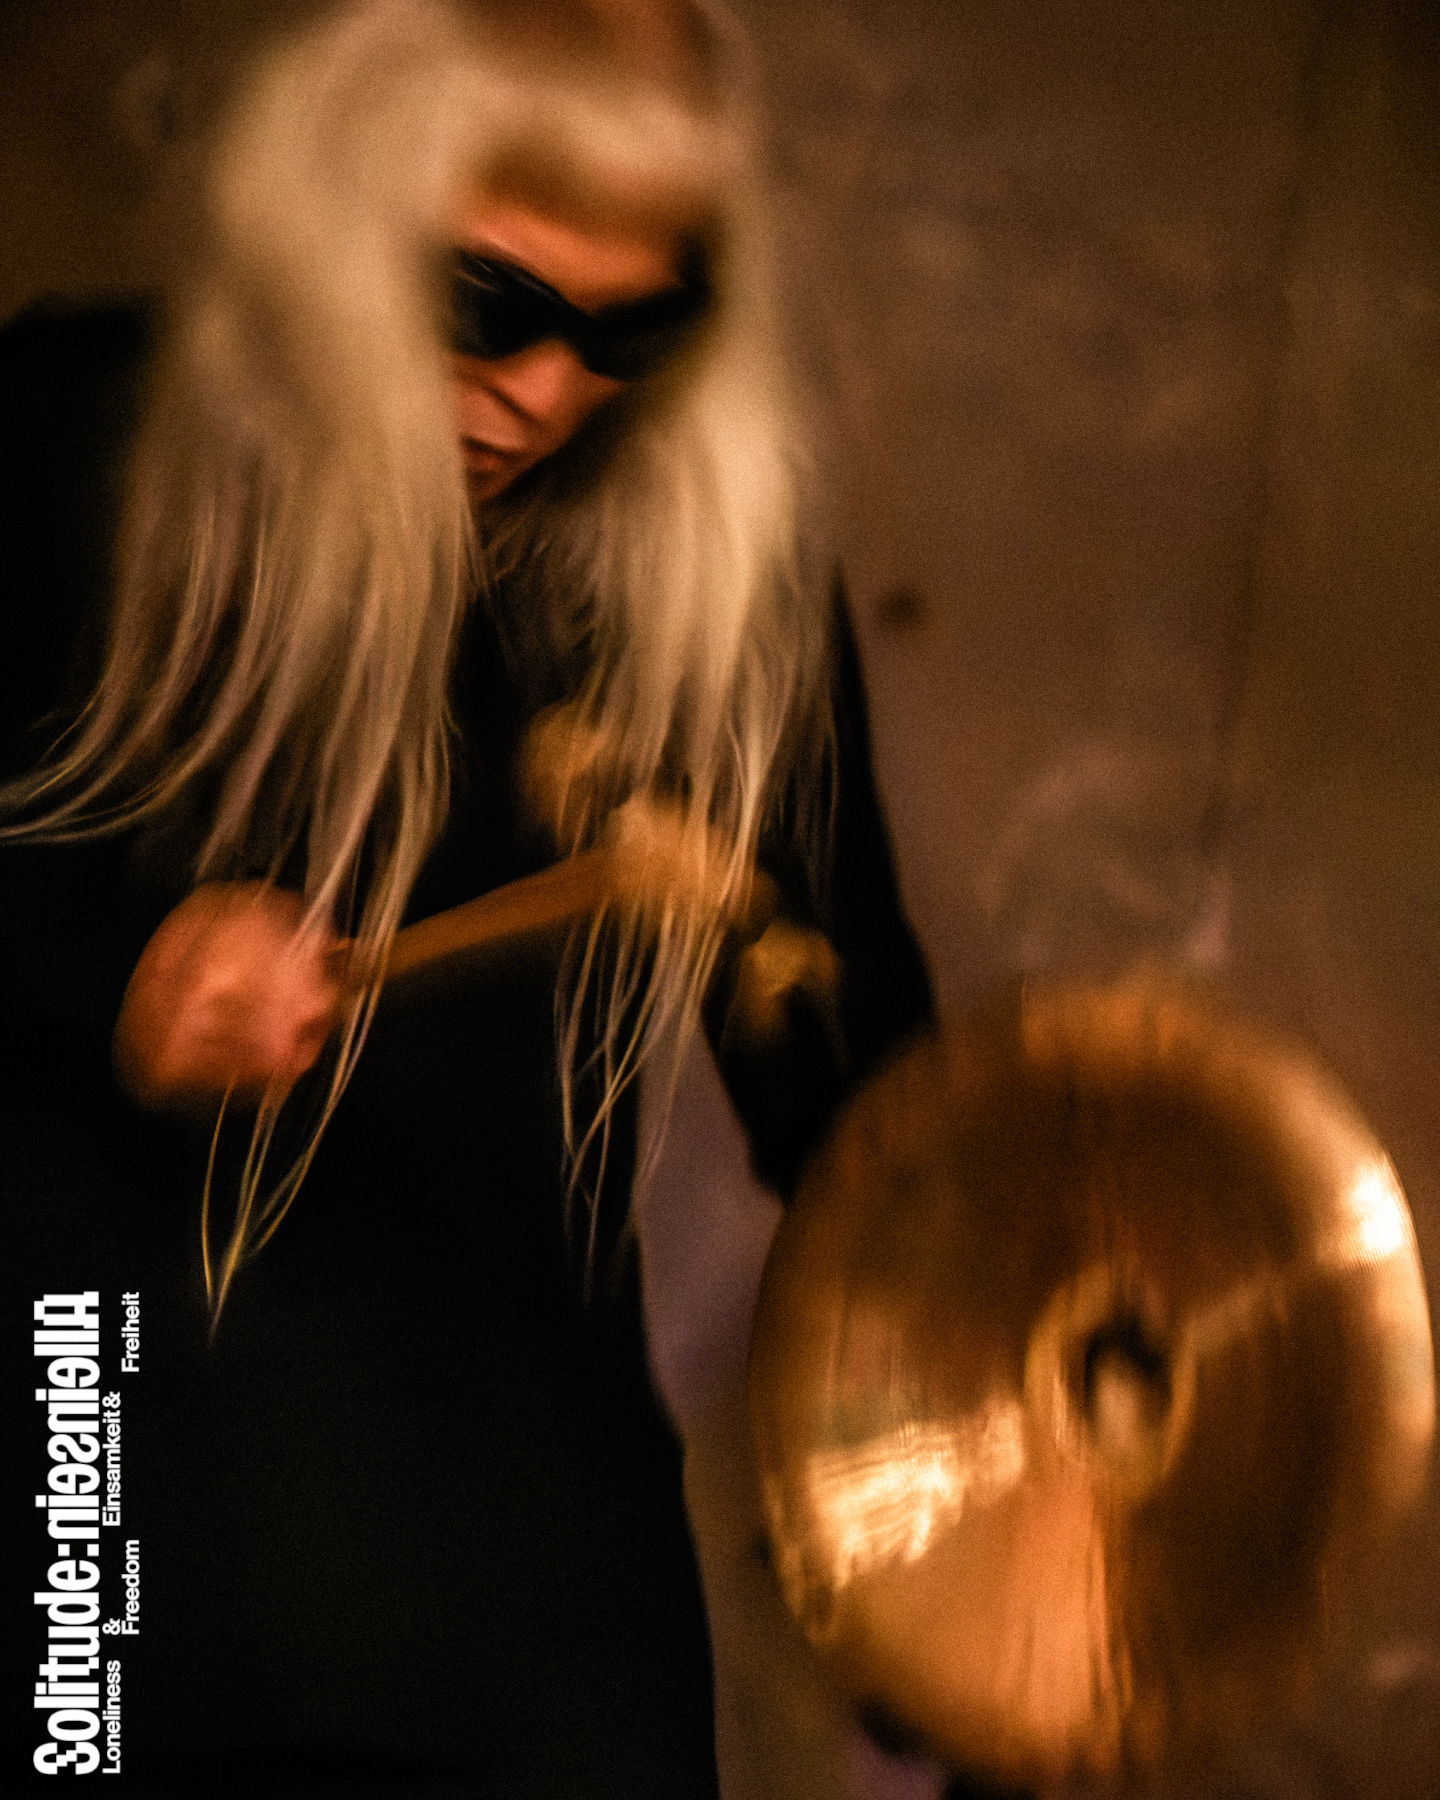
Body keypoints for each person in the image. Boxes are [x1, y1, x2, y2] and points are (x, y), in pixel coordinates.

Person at [1, 0, 933, 1792]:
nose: (551, 390)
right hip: (91, 1439)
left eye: (632, 329)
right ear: (335, 223)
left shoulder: (710, 582)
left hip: (519, 1537)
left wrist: (962, 1498)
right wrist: (107, 971)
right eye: (491, 305)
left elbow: (861, 1091)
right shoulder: (65, 438)